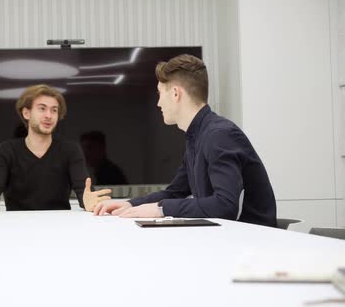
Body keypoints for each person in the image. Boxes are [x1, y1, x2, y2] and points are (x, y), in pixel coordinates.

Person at [94, 54, 277, 227]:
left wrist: (161, 209)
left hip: (251, 244)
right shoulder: (197, 136)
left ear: (175, 94)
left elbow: (225, 205)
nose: (158, 103)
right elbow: (175, 192)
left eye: (160, 93)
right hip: (227, 238)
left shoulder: (219, 135)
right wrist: (129, 204)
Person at [0, 84, 111, 214]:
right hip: (15, 228)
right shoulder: (6, 150)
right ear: (26, 113)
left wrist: (88, 202)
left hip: (60, 227)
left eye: (54, 110)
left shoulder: (70, 150)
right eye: (42, 108)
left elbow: (84, 191)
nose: (48, 115)